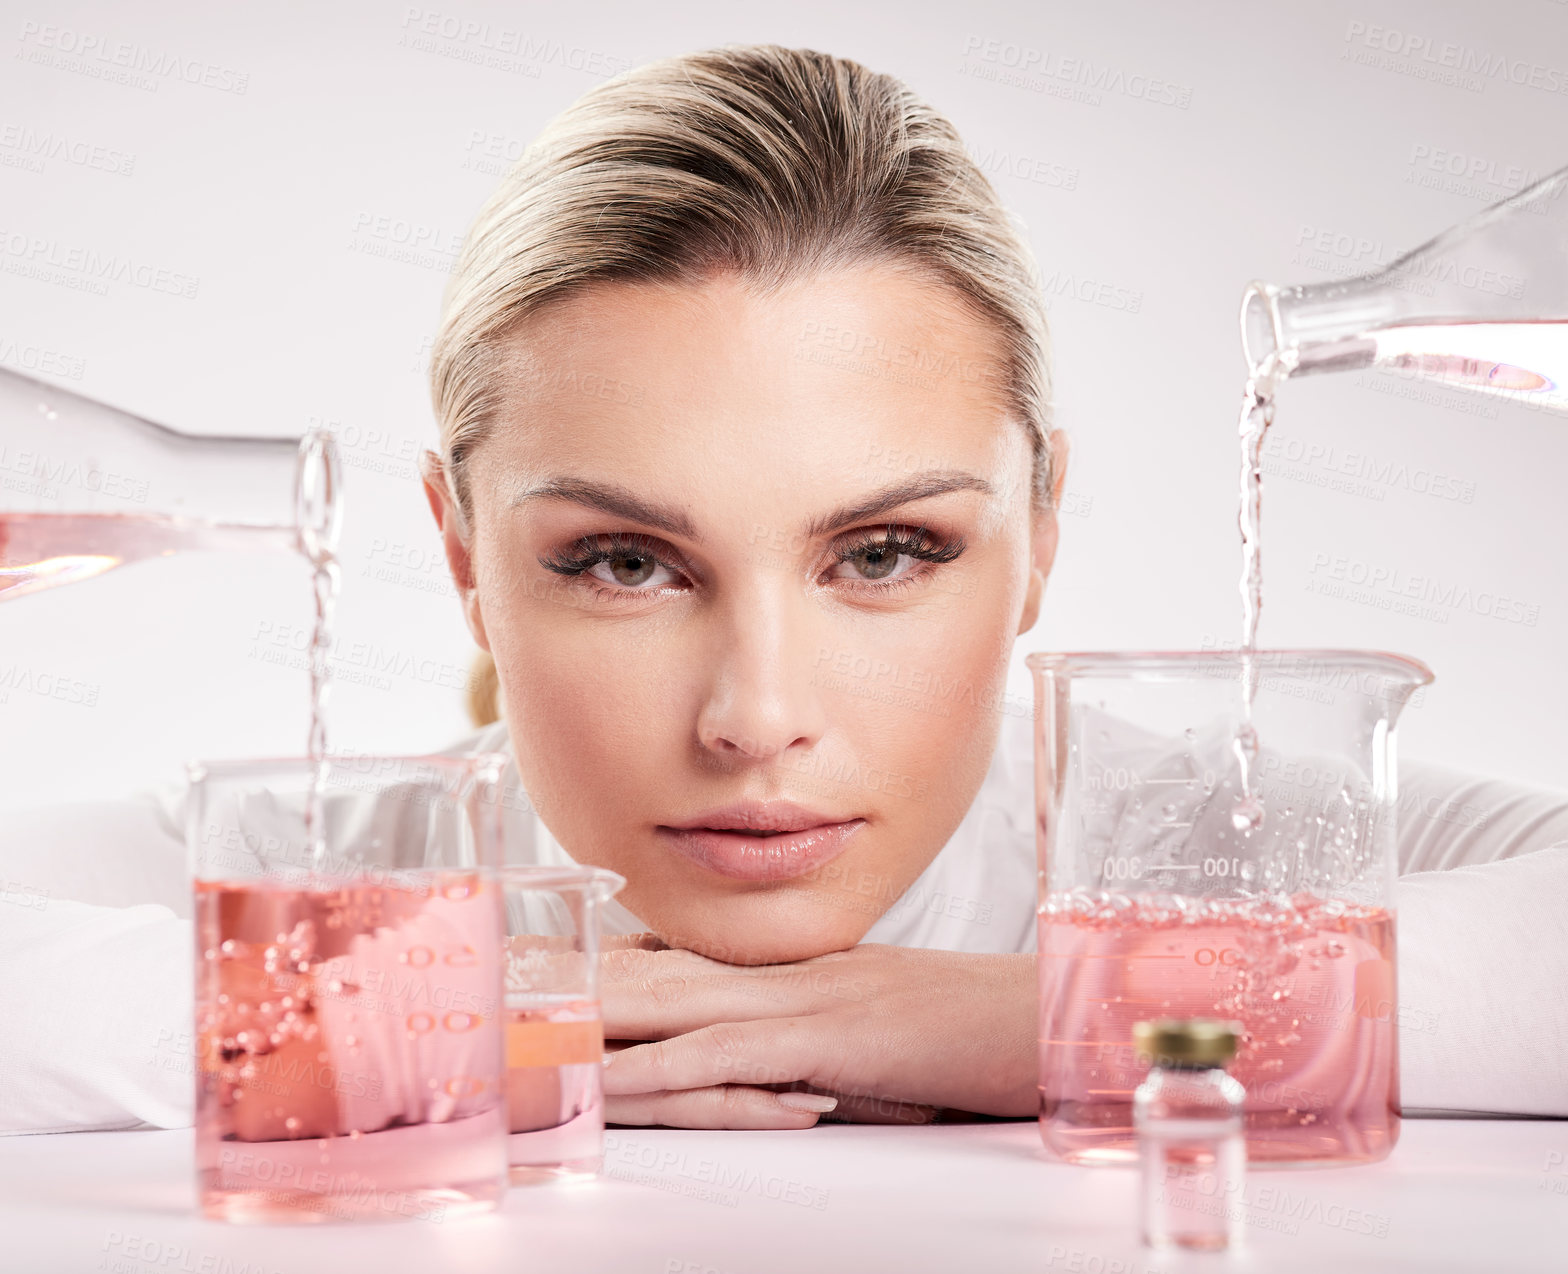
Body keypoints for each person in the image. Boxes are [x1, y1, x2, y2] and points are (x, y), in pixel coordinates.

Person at [3, 44, 1566, 1138]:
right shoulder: (338, 869)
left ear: (1044, 528)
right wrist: (435, 1013)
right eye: (625, 562)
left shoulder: (1171, 831)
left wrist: (1028, 1015)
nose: (756, 718)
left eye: (883, 554)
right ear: (466, 557)